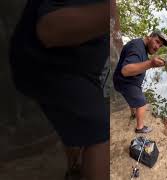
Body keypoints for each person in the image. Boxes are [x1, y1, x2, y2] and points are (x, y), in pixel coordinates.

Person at [9, 0, 109, 180]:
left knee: (72, 123)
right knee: (100, 129)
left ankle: (74, 170)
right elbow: (49, 31)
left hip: (75, 69)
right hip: (50, 65)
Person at [113, 31, 167, 133]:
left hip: (128, 81)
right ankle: (140, 128)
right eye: (157, 41)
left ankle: (134, 113)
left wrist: (150, 63)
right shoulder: (137, 46)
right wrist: (151, 63)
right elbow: (126, 70)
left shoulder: (142, 48)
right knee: (141, 102)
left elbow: (139, 65)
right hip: (125, 81)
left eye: (160, 45)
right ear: (149, 37)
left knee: (134, 97)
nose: (157, 47)